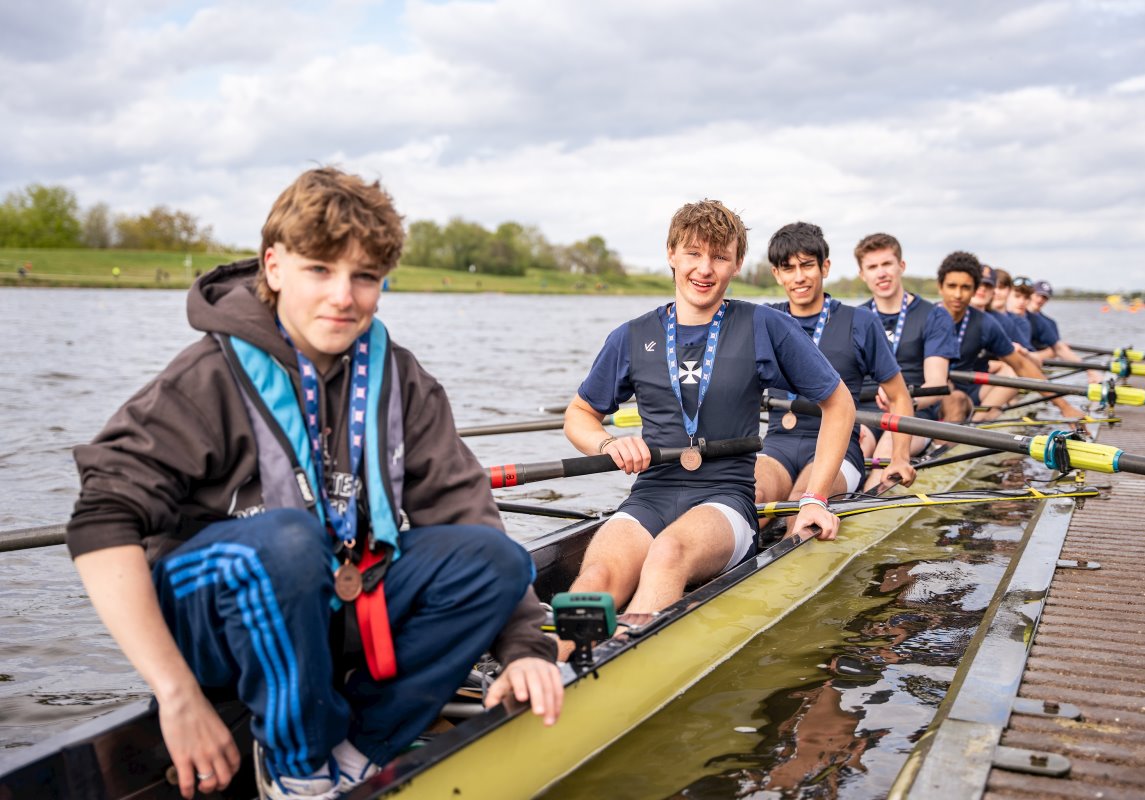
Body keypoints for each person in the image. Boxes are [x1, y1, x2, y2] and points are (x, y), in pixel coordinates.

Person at [66, 167, 560, 800]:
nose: (343, 297)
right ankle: (297, 767)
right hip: (211, 618)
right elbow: (100, 519)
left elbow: (466, 514)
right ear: (273, 267)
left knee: (494, 560)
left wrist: (524, 649)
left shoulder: (401, 380)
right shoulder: (206, 377)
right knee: (291, 541)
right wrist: (176, 693)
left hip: (334, 595)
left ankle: (358, 750)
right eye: (320, 270)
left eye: (364, 277)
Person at [561, 200, 856, 621]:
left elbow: (839, 403)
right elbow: (578, 414)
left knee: (668, 552)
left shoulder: (764, 326)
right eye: (694, 253)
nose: (705, 269)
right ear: (671, 254)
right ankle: (554, 668)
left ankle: (622, 656)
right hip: (651, 493)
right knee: (595, 576)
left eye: (720, 256)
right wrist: (608, 443)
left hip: (726, 498)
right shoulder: (631, 336)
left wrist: (814, 497)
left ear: (736, 264)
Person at [758, 222, 917, 505]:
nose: (799, 277)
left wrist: (900, 457)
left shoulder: (861, 322)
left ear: (825, 267)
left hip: (840, 448)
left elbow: (899, 397)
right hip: (776, 444)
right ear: (777, 274)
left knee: (800, 504)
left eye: (807, 265)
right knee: (752, 498)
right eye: (788, 268)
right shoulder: (765, 320)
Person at [853, 232, 968, 471]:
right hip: (863, 413)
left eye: (887, 264)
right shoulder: (854, 317)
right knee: (856, 447)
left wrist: (905, 401)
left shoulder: (934, 315)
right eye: (872, 267)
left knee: (888, 451)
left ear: (901, 266)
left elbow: (936, 383)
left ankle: (869, 502)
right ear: (863, 275)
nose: (881, 272)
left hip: (915, 411)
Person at [940, 253, 1081, 420]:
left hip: (970, 389)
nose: (958, 294)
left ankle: (977, 421)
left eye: (966, 287)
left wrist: (1065, 406)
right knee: (953, 395)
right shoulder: (929, 316)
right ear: (940, 287)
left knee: (1007, 371)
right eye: (953, 286)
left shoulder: (991, 323)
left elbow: (1023, 364)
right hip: (939, 388)